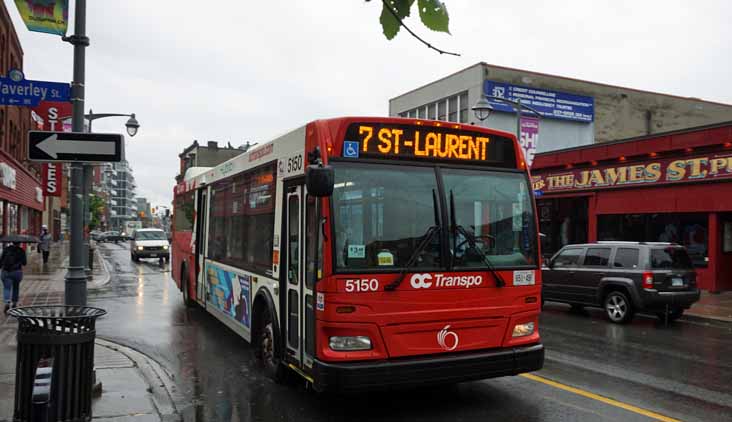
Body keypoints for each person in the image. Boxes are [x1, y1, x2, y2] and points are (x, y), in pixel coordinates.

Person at [1, 241, 27, 313]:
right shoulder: (21, 251)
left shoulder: (6, 249)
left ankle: (7, 302)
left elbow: (1, 261)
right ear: (19, 243)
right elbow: (24, 263)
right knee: (16, 287)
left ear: (12, 242)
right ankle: (14, 303)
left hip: (6, 271)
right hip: (17, 272)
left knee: (7, 288)